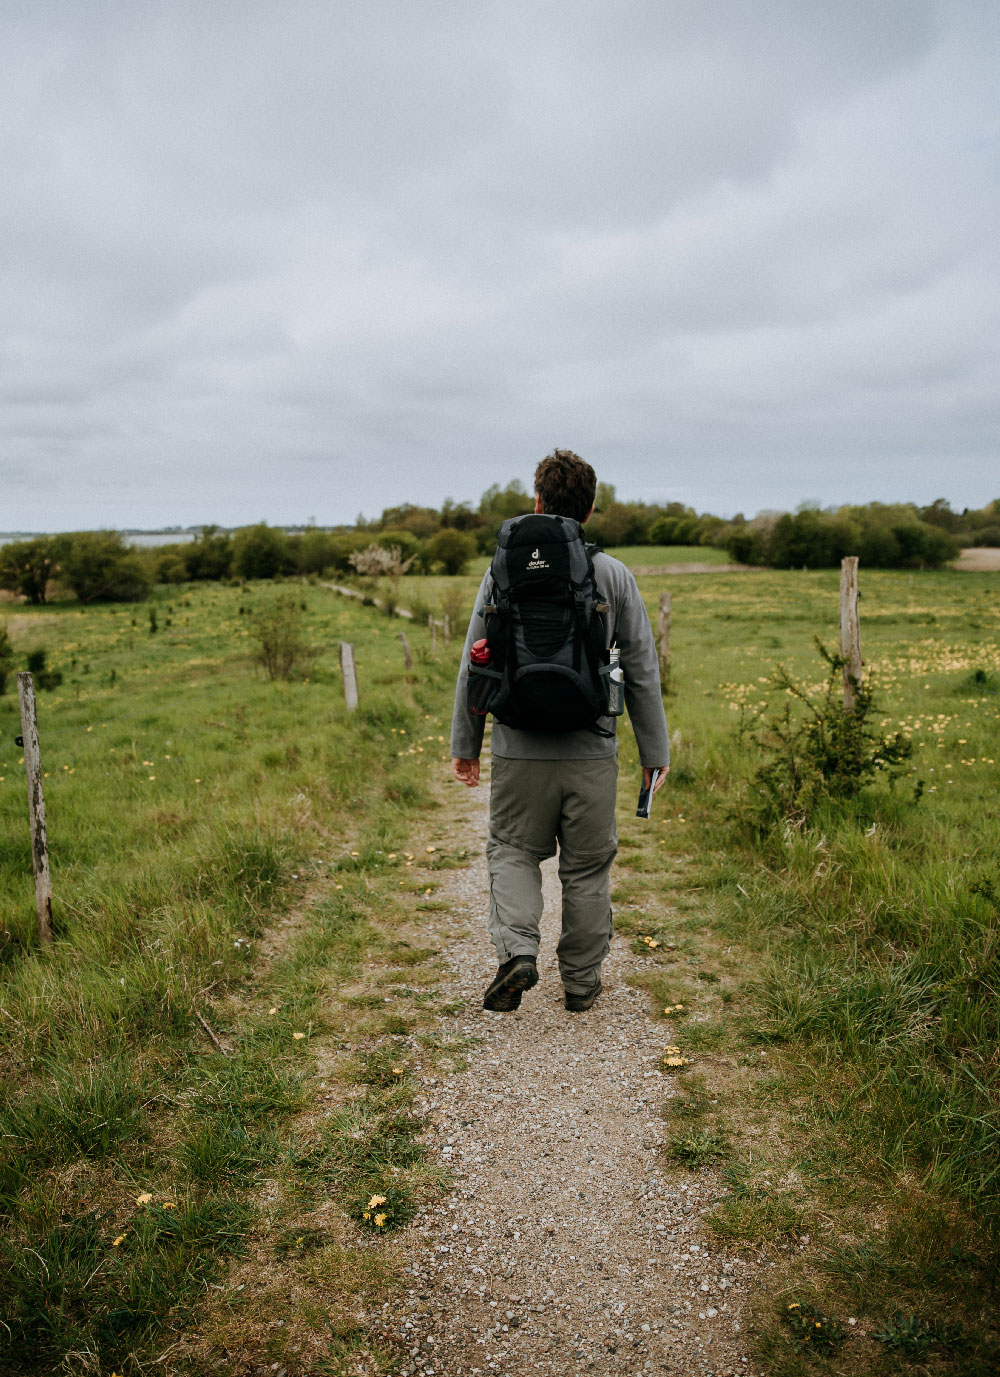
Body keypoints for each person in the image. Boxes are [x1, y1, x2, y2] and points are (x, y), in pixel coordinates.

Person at [450, 449, 669, 1013]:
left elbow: (475, 663)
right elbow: (642, 668)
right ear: (592, 509)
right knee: (587, 867)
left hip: (519, 747)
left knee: (513, 849)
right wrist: (654, 752)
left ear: (538, 502)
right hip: (592, 750)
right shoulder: (614, 574)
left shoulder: (502, 570)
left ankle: (519, 951)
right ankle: (580, 982)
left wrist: (465, 745)